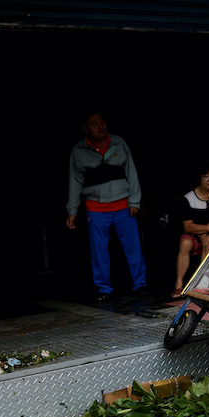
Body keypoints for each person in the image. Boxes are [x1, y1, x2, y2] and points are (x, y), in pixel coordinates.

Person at [66, 113, 147, 301]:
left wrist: (134, 201)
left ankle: (140, 284)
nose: (100, 127)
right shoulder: (78, 150)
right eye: (94, 124)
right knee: (99, 250)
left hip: (123, 204)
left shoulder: (118, 143)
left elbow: (131, 173)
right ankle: (104, 288)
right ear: (86, 128)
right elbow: (75, 182)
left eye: (102, 122)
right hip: (95, 207)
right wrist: (72, 210)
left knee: (133, 247)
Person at [173, 163, 209, 297]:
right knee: (185, 243)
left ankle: (204, 282)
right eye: (206, 176)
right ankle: (179, 285)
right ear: (198, 179)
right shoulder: (189, 198)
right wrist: (208, 228)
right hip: (195, 234)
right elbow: (188, 227)